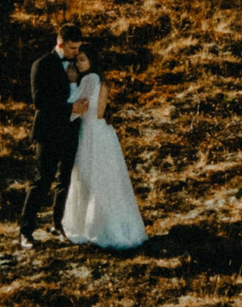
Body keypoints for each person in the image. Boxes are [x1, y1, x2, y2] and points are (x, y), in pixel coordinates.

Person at [60, 59, 147, 250]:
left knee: (90, 178)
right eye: (78, 60)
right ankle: (118, 224)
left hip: (91, 134)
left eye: (83, 60)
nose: (79, 64)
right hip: (103, 132)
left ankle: (94, 225)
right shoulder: (101, 79)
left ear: (92, 61)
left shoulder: (89, 79)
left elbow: (74, 105)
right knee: (109, 180)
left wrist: (72, 82)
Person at [21, 26, 86, 243]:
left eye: (78, 48)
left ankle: (59, 224)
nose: (76, 52)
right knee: (42, 181)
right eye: (72, 48)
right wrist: (70, 109)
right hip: (48, 132)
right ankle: (25, 231)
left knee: (64, 180)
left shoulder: (77, 64)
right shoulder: (41, 65)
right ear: (60, 44)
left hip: (70, 130)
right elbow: (40, 101)